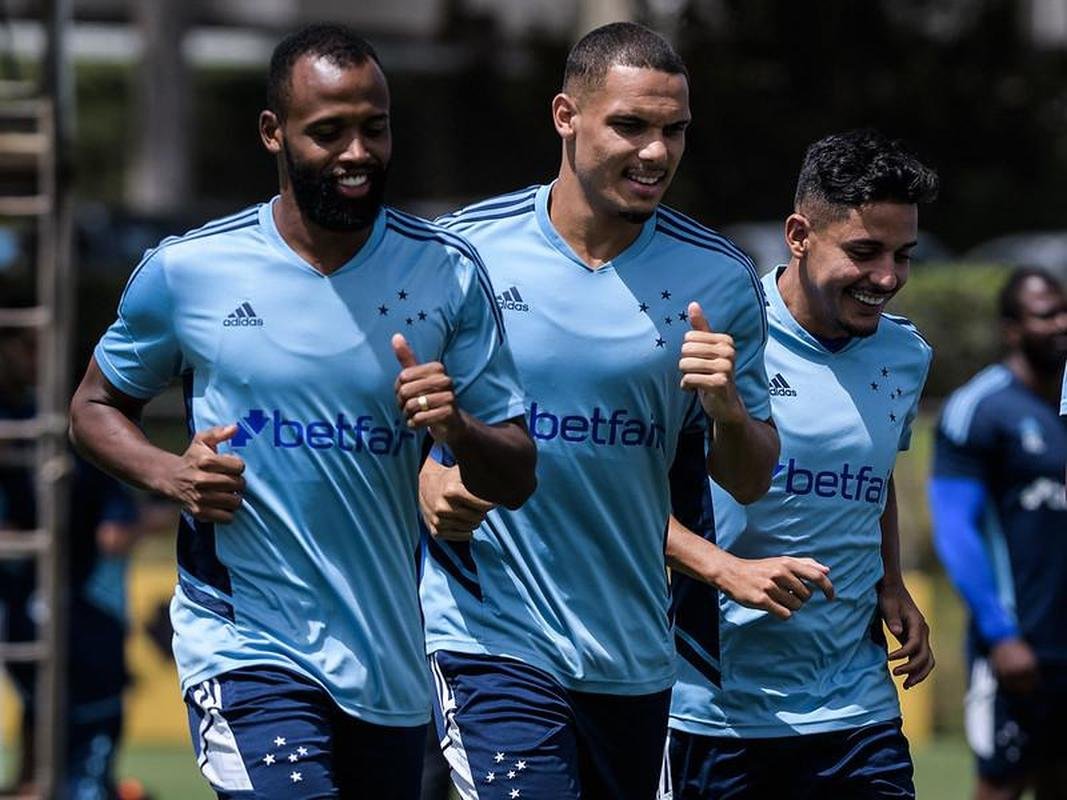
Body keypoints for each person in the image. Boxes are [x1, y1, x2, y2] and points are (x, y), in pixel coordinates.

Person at [68, 23, 535, 800]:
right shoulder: (190, 272)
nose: (357, 152)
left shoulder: (447, 274)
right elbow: (91, 407)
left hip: (388, 661)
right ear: (271, 133)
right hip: (246, 642)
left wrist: (458, 429)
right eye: (328, 132)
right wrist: (170, 473)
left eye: (374, 128)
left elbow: (516, 472)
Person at [417, 22, 835, 800]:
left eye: (673, 131)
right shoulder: (458, 254)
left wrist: (729, 412)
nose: (656, 153)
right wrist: (426, 484)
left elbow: (746, 480)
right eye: (630, 126)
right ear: (564, 116)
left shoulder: (716, 275)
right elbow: (395, 426)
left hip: (636, 653)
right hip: (488, 638)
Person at [668, 129, 939, 799]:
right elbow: (617, 499)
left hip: (855, 710)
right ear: (797, 235)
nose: (886, 279)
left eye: (902, 256)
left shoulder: (905, 355)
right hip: (712, 711)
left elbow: (871, 477)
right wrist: (724, 569)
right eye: (863, 252)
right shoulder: (714, 339)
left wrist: (890, 581)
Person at [929, 268, 1067, 800]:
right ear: (1011, 329)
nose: (1061, 323)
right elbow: (956, 530)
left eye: (1063, 309)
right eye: (1044, 314)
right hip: (1019, 648)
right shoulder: (980, 409)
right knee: (1002, 786)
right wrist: (1000, 634)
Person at [0, 327, 144, 800]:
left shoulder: (60, 426)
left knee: (54, 706)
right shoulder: (50, 425)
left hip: (56, 605)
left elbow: (115, 531)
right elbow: (117, 530)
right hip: (51, 608)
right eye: (24, 346)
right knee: (65, 709)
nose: (30, 358)